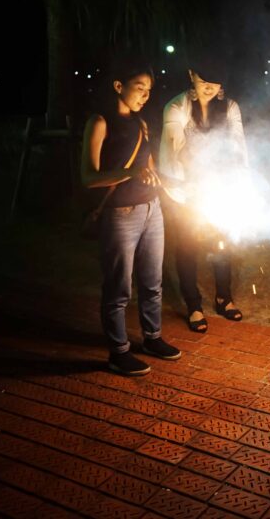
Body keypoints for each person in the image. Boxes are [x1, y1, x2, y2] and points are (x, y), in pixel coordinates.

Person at [80, 58, 181, 376]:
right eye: (140, 88)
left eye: (149, 90)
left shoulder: (141, 123)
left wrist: (158, 179)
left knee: (153, 281)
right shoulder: (99, 122)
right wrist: (129, 173)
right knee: (119, 286)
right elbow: (88, 177)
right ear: (118, 86)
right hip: (120, 214)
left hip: (152, 209)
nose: (145, 95)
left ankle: (152, 338)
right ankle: (118, 351)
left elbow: (146, 165)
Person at [159, 57, 248, 331]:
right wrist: (198, 181)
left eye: (215, 80)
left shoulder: (230, 107)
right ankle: (194, 305)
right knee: (188, 245)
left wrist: (234, 182)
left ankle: (224, 297)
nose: (209, 86)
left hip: (220, 182)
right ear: (191, 74)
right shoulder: (177, 107)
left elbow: (237, 145)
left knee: (221, 241)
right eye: (203, 79)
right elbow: (179, 149)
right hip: (183, 185)